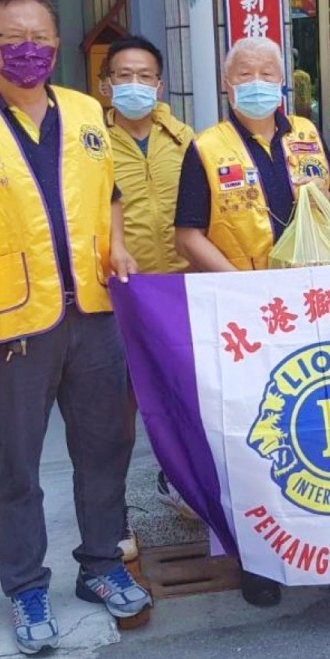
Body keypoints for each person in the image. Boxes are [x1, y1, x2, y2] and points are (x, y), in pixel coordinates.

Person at [0, 0, 151, 655]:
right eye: (13, 38)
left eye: (41, 38)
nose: (29, 50)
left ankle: (102, 563)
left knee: (105, 447)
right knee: (16, 463)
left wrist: (118, 243)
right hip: (10, 322)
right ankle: (25, 585)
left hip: (94, 312)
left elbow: (109, 195)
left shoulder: (86, 111)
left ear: (56, 45)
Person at [174, 35, 330, 606]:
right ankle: (259, 560)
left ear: (283, 82)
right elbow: (188, 234)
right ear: (227, 86)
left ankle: (323, 543)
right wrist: (239, 285)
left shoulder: (306, 134)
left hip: (308, 307)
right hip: (246, 315)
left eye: (267, 73)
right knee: (255, 436)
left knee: (312, 428)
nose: (256, 82)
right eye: (244, 74)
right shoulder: (206, 148)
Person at [100, 34, 198, 525]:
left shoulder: (186, 139)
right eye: (124, 76)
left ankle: (182, 483)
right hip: (120, 291)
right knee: (118, 406)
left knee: (184, 395)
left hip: (180, 288)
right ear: (106, 85)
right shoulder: (90, 143)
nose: (134, 85)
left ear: (159, 86)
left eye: (145, 76)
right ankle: (109, 510)